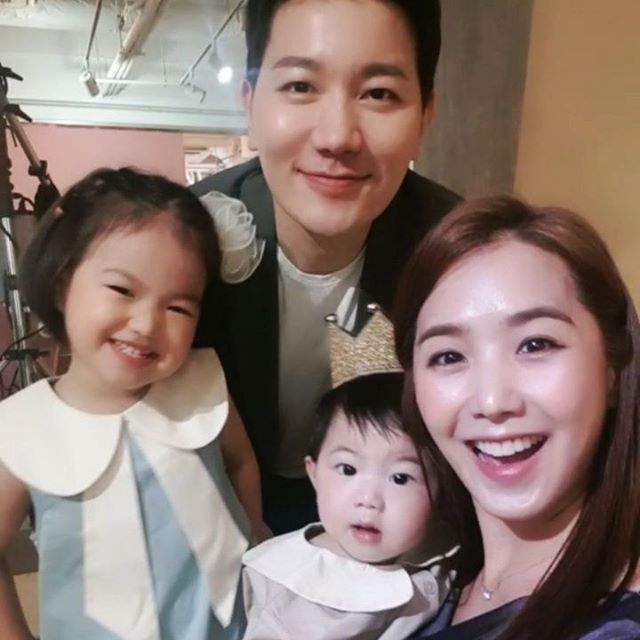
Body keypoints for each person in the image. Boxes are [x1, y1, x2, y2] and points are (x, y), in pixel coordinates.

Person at [193, 0, 460, 534]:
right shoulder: (189, 236)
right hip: (214, 504)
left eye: (379, 93)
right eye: (300, 86)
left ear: (425, 115)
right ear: (249, 103)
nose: (337, 137)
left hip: (379, 508)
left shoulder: (453, 251)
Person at [0, 168, 265, 639]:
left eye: (178, 307)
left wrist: (256, 530)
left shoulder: (203, 383)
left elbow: (241, 461)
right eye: (122, 290)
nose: (146, 324)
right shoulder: (22, 427)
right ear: (62, 284)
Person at [393, 196, 640, 639]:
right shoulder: (425, 587)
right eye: (448, 356)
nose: (492, 401)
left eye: (535, 345)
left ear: (612, 367)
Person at [242, 369, 455, 639]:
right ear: (314, 474)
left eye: (400, 478)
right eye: (348, 469)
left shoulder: (447, 548)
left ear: (442, 488)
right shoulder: (285, 584)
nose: (368, 500)